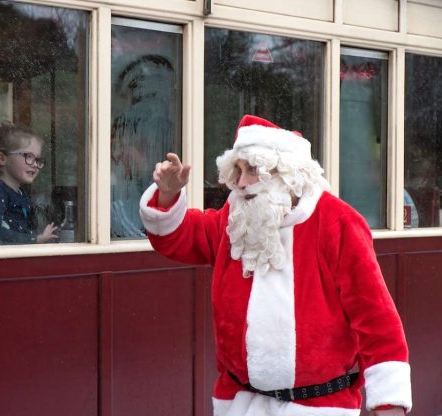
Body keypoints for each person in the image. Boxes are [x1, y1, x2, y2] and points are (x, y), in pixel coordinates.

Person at [139, 115, 412, 416]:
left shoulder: (337, 223)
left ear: (286, 172)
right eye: (238, 170)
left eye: (252, 170)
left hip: (316, 406)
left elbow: (376, 318)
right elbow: (179, 237)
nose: (240, 182)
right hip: (242, 404)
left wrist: (388, 402)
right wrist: (167, 195)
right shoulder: (237, 218)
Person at [0, 123, 57, 244]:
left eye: (38, 159)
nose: (35, 164)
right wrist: (35, 239)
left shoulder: (20, 192)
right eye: (28, 156)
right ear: (2, 158)